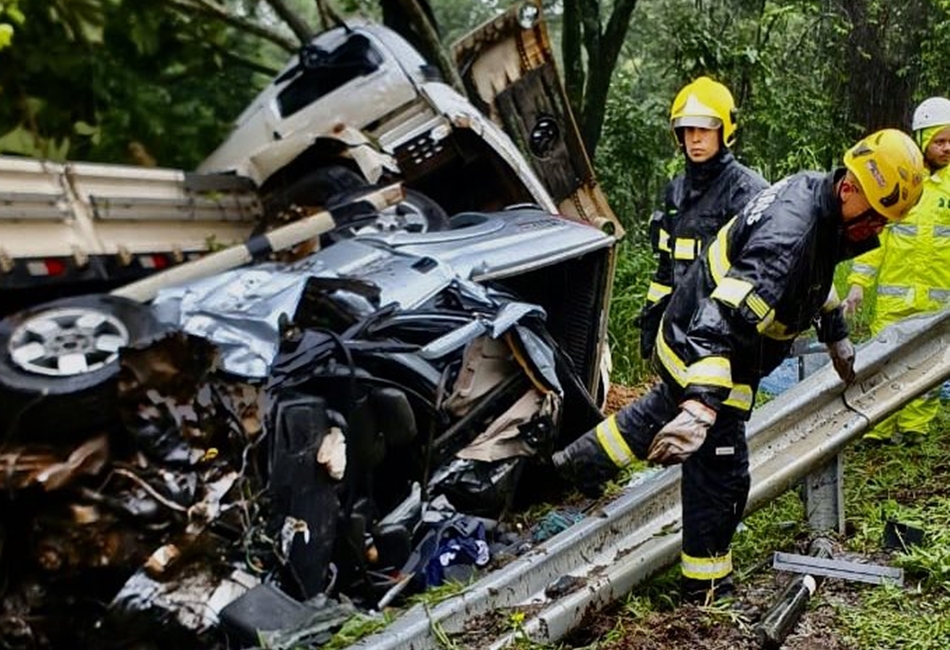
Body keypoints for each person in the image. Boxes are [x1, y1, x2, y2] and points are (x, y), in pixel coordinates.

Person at [554, 129, 925, 604]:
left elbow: (813, 278)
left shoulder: (822, 200)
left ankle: (574, 467)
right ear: (850, 188)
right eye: (875, 216)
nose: (876, 228)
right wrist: (702, 407)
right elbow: (722, 319)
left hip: (698, 334)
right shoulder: (791, 237)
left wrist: (835, 333)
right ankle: (707, 590)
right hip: (710, 351)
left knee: (654, 413)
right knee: (722, 475)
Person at [637, 77, 768, 360]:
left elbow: (758, 273)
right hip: (677, 331)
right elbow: (665, 270)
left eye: (705, 129)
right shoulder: (676, 191)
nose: (695, 138)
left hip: (724, 335)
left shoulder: (747, 191)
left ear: (724, 130)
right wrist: (651, 326)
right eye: (688, 130)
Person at [843, 97, 950, 444]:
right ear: (922, 140)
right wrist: (859, 282)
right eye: (940, 140)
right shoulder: (902, 179)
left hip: (937, 297)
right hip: (894, 297)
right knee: (883, 360)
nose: (947, 148)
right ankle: (878, 425)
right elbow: (876, 237)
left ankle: (915, 427)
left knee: (928, 365)